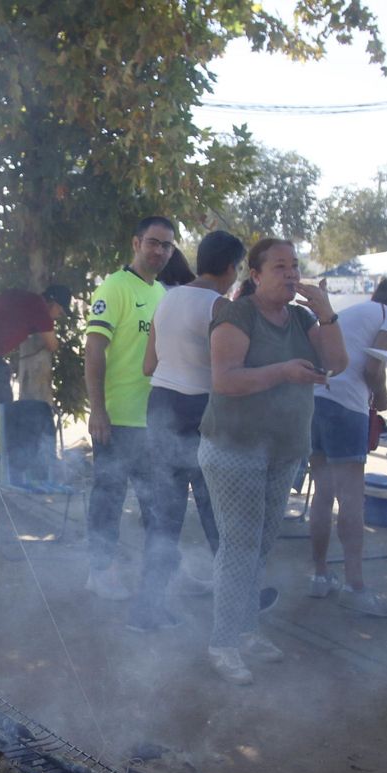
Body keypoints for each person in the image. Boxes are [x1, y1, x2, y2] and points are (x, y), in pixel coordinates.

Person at [200, 238, 347, 683]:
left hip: (283, 450)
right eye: (279, 266)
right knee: (240, 546)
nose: (290, 274)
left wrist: (325, 309)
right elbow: (225, 381)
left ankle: (245, 631)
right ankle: (222, 642)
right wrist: (283, 372)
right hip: (234, 446)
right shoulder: (236, 314)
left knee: (260, 546)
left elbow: (337, 362)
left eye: (294, 266)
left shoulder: (302, 318)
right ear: (256, 275)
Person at [133, 230, 243, 631]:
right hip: (199, 410)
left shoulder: (169, 297)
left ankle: (145, 611)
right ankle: (238, 601)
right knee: (219, 509)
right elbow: (226, 371)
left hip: (161, 404)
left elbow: (149, 365)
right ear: (232, 268)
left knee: (165, 515)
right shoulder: (219, 307)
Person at [306, 276, 387, 617]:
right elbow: (374, 367)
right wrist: (382, 400)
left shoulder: (354, 311)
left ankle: (319, 575)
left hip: (315, 399)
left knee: (322, 493)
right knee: (351, 496)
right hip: (346, 406)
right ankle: (355, 586)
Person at [84, 216, 174, 601]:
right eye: (153, 242)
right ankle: (99, 572)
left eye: (167, 246)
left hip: (155, 422)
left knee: (160, 506)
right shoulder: (115, 287)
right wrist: (97, 409)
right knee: (108, 499)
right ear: (136, 243)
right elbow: (93, 350)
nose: (160, 251)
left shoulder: (164, 293)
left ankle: (165, 576)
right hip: (117, 421)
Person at [0, 284, 71, 451]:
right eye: (60, 312)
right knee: (3, 405)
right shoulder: (40, 308)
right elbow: (52, 344)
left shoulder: (23, 297)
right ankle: (8, 459)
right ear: (53, 303)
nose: (58, 316)